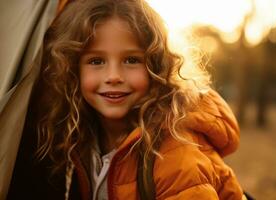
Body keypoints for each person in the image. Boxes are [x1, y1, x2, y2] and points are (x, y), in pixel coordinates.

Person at [7, 0, 244, 199]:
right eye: (96, 61)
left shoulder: (174, 153)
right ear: (72, 69)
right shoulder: (83, 135)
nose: (113, 77)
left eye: (131, 60)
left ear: (156, 66)